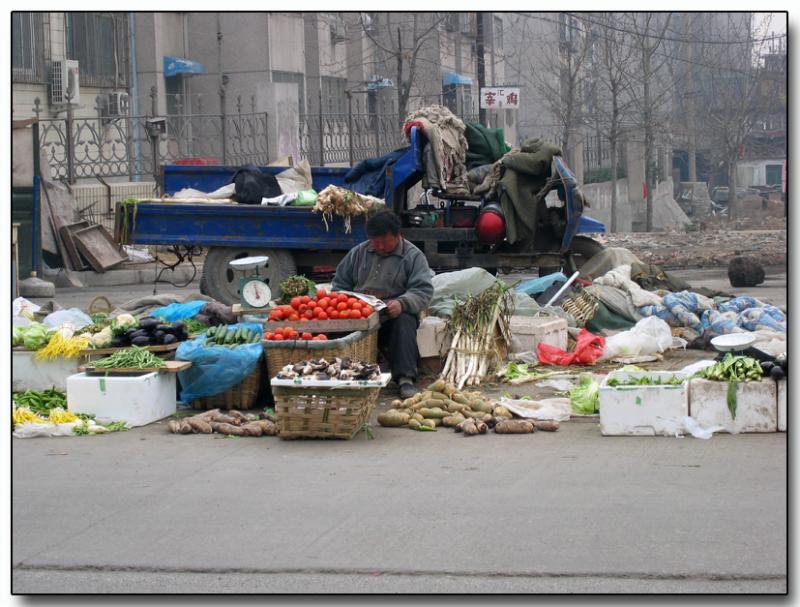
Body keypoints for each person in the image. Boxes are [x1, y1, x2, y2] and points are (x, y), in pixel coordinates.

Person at [331, 210, 434, 398]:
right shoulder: (358, 253)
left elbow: (423, 290)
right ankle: (338, 374)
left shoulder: (413, 256)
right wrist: (348, 302)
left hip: (392, 317)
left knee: (405, 320)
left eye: (384, 242)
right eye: (375, 241)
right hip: (360, 316)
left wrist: (402, 303)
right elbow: (339, 285)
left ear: (397, 236)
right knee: (335, 321)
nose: (379, 246)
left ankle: (405, 379)